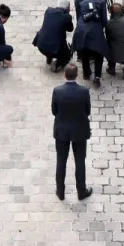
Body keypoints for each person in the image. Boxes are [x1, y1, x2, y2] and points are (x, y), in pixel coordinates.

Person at [50, 65, 92, 201]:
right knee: (80, 161)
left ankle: (60, 191)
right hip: (79, 131)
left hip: (62, 131)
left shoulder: (57, 91)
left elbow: (54, 111)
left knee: (61, 161)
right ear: (77, 75)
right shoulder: (84, 91)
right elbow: (87, 111)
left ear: (65, 75)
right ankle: (81, 191)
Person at [72, 0, 109, 86]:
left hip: (82, 31)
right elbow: (104, 20)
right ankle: (97, 77)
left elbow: (80, 17)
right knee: (99, 54)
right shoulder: (101, 2)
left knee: (85, 52)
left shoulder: (83, 2)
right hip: (95, 31)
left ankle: (86, 73)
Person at [34, 0, 74, 71]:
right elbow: (70, 29)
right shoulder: (67, 17)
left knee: (51, 36)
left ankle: (49, 58)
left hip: (41, 45)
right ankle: (58, 63)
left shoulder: (48, 11)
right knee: (67, 55)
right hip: (55, 49)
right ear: (68, 7)